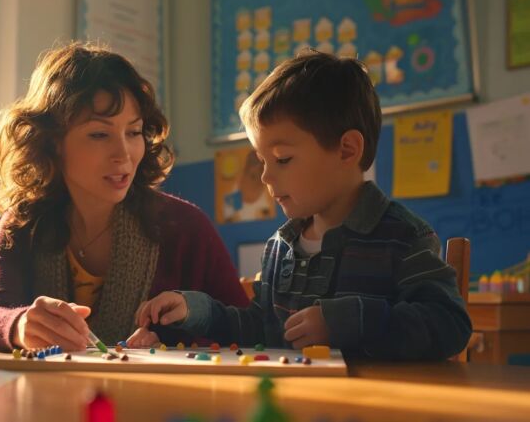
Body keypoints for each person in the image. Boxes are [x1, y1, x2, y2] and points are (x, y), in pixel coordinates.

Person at [135, 50, 472, 360]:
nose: (266, 176)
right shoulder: (281, 246)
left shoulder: (403, 236)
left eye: (282, 159)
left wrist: (350, 321)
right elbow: (260, 329)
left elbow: (450, 324)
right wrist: (196, 310)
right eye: (261, 160)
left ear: (347, 150)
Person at [0, 42, 249, 352]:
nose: (124, 154)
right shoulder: (24, 223)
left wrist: (176, 343)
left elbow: (245, 328)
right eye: (99, 134)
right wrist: (18, 326)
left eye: (134, 131)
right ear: (52, 142)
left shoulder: (186, 227)